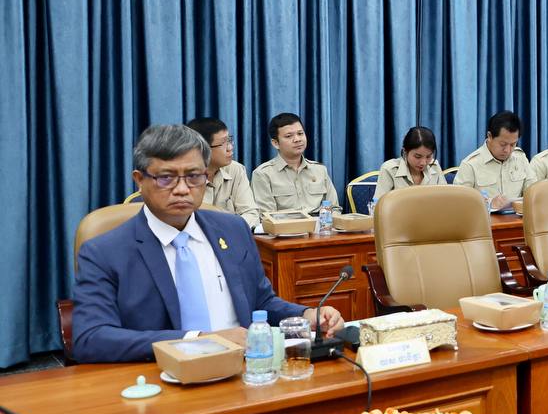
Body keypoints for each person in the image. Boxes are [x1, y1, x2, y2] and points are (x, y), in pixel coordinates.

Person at [73, 124, 344, 363]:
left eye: (193, 176)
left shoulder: (234, 230)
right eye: (166, 178)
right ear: (139, 180)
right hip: (160, 378)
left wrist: (306, 315)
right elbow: (90, 338)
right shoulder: (104, 252)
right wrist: (199, 340)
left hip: (247, 370)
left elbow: (261, 302)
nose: (182, 189)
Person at [250, 112, 339, 215]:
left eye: (300, 133)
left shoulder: (320, 170)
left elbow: (334, 208)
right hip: (286, 225)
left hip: (321, 224)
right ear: (275, 143)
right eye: (289, 136)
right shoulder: (263, 174)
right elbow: (267, 216)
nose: (297, 139)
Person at [186, 117, 259, 229]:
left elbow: (251, 214)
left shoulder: (236, 170)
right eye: (222, 144)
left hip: (232, 235)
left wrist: (226, 228)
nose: (230, 148)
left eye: (229, 140)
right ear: (202, 149)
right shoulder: (181, 177)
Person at [455, 110, 535, 209]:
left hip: (517, 217)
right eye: (503, 144)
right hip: (486, 218)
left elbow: (534, 191)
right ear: (489, 136)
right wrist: (489, 204)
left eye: (513, 144)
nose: (507, 150)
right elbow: (458, 203)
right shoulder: (470, 164)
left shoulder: (520, 158)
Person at [374, 126, 445, 201]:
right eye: (418, 157)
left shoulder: (434, 166)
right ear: (405, 151)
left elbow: (446, 199)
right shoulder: (389, 169)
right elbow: (378, 205)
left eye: (428, 156)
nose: (423, 163)